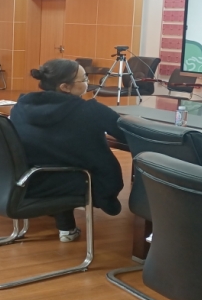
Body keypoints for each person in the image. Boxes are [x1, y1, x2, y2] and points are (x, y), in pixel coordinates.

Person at [9, 59, 127, 242]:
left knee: (58, 158)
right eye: (84, 79)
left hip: (27, 181)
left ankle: (66, 226)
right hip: (75, 181)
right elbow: (127, 133)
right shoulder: (90, 111)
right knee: (75, 164)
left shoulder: (21, 106)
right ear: (65, 87)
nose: (88, 82)